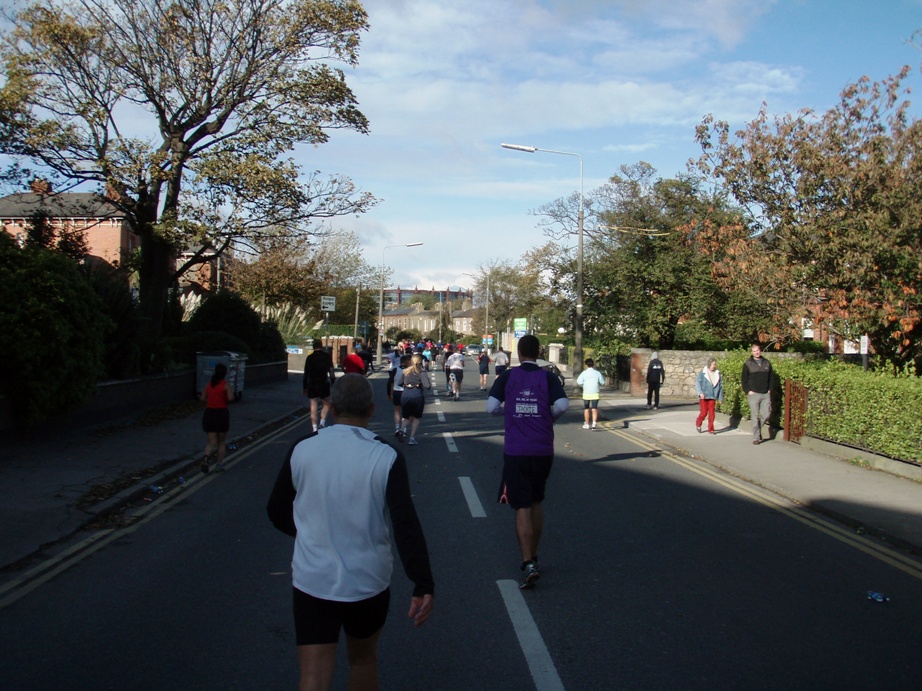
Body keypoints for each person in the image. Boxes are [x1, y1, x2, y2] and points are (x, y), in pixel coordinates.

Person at [267, 374, 435, 691]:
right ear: (371, 410)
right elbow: (405, 525)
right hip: (367, 583)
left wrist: (306, 535)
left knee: (313, 678)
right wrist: (422, 582)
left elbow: (276, 510)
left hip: (312, 581)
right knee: (362, 661)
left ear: (330, 407)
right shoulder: (385, 456)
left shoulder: (302, 449)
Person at [486, 334, 569, 589]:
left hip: (516, 450)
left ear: (518, 354)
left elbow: (490, 407)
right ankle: (534, 556)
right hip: (543, 450)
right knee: (535, 500)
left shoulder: (508, 377)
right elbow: (563, 405)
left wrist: (509, 411)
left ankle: (527, 564)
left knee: (520, 504)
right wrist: (548, 418)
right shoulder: (549, 377)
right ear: (540, 352)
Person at [200, 362, 234, 473]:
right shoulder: (226, 385)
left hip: (209, 414)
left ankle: (206, 457)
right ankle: (219, 464)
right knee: (221, 442)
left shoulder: (209, 384)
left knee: (212, 442)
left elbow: (202, 398)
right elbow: (230, 398)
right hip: (221, 415)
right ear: (225, 373)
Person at [741, 343, 774, 445]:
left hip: (765, 393)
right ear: (752, 352)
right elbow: (744, 379)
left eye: (758, 350)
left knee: (766, 414)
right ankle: (756, 437)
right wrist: (748, 390)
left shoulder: (767, 363)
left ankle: (758, 430)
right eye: (754, 351)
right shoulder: (747, 364)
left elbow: (771, 377)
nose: (756, 352)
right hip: (754, 393)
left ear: (760, 351)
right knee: (755, 416)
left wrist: (770, 389)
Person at [398, 353, 432, 445]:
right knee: (416, 417)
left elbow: (399, 383)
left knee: (406, 416)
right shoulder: (421, 372)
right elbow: (427, 386)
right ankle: (412, 438)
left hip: (406, 394)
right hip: (417, 395)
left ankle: (401, 429)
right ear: (421, 362)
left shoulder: (405, 371)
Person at [303, 339, 335, 433]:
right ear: (321, 346)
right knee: (326, 403)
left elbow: (306, 373)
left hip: (312, 383)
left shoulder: (310, 358)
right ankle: (322, 422)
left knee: (313, 405)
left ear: (313, 347)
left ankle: (314, 427)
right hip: (323, 383)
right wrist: (333, 382)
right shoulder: (326, 356)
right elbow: (331, 370)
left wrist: (304, 387)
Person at [695, 357, 724, 435]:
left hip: (713, 396)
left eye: (715, 364)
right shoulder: (703, 373)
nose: (714, 366)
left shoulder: (718, 373)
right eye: (712, 364)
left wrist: (720, 398)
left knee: (712, 413)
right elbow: (698, 383)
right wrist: (700, 393)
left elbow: (720, 386)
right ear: (709, 364)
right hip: (704, 396)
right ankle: (698, 423)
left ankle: (711, 429)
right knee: (704, 413)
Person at [576, 358, 605, 430]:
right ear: (593, 364)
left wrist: (583, 385)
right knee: (594, 408)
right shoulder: (597, 373)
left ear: (586, 365)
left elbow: (579, 382)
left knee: (586, 408)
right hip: (595, 392)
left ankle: (587, 424)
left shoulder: (584, 373)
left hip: (586, 393)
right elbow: (602, 382)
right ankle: (594, 423)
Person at [391, 353, 412, 437]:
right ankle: (403, 429)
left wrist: (390, 393)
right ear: (406, 362)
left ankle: (397, 428)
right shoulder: (410, 370)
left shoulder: (395, 369)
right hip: (407, 392)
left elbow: (390, 382)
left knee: (397, 410)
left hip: (396, 391)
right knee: (406, 412)